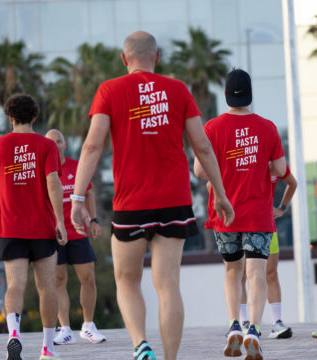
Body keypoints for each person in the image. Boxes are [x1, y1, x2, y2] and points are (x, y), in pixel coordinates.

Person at [69, 31, 234, 360]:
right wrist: (220, 193)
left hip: (131, 203)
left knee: (126, 279)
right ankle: (170, 358)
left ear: (123, 58)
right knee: (168, 284)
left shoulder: (109, 90)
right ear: (156, 57)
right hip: (175, 200)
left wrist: (76, 198)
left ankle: (141, 345)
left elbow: (92, 146)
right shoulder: (178, 90)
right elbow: (202, 146)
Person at [194, 68, 286, 360]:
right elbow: (282, 171)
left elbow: (198, 170)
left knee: (232, 271)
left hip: (225, 212)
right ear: (250, 94)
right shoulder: (268, 127)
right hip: (258, 211)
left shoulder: (212, 128)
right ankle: (254, 331)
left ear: (225, 95)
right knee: (256, 273)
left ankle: (235, 324)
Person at [0, 94, 67, 360]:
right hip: (42, 226)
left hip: (9, 226)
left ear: (10, 118)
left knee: (15, 284)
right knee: (47, 286)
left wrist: (4, 171)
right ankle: (47, 348)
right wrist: (60, 220)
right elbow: (53, 183)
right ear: (34, 117)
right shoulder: (46, 145)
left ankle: (14, 334)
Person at [45, 129, 106, 345]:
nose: (55, 145)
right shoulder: (42, 171)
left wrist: (94, 221)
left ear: (64, 144)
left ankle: (88, 326)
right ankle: (65, 329)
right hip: (52, 235)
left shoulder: (76, 166)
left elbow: (88, 193)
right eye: (50, 142)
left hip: (78, 232)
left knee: (88, 277)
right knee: (58, 280)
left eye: (59, 141)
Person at [240, 165, 297, 339]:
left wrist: (282, 208)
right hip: (240, 223)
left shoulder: (276, 164)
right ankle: (244, 323)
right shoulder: (244, 159)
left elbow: (292, 183)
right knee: (241, 275)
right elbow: (210, 185)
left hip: (266, 224)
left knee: (271, 273)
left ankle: (277, 323)